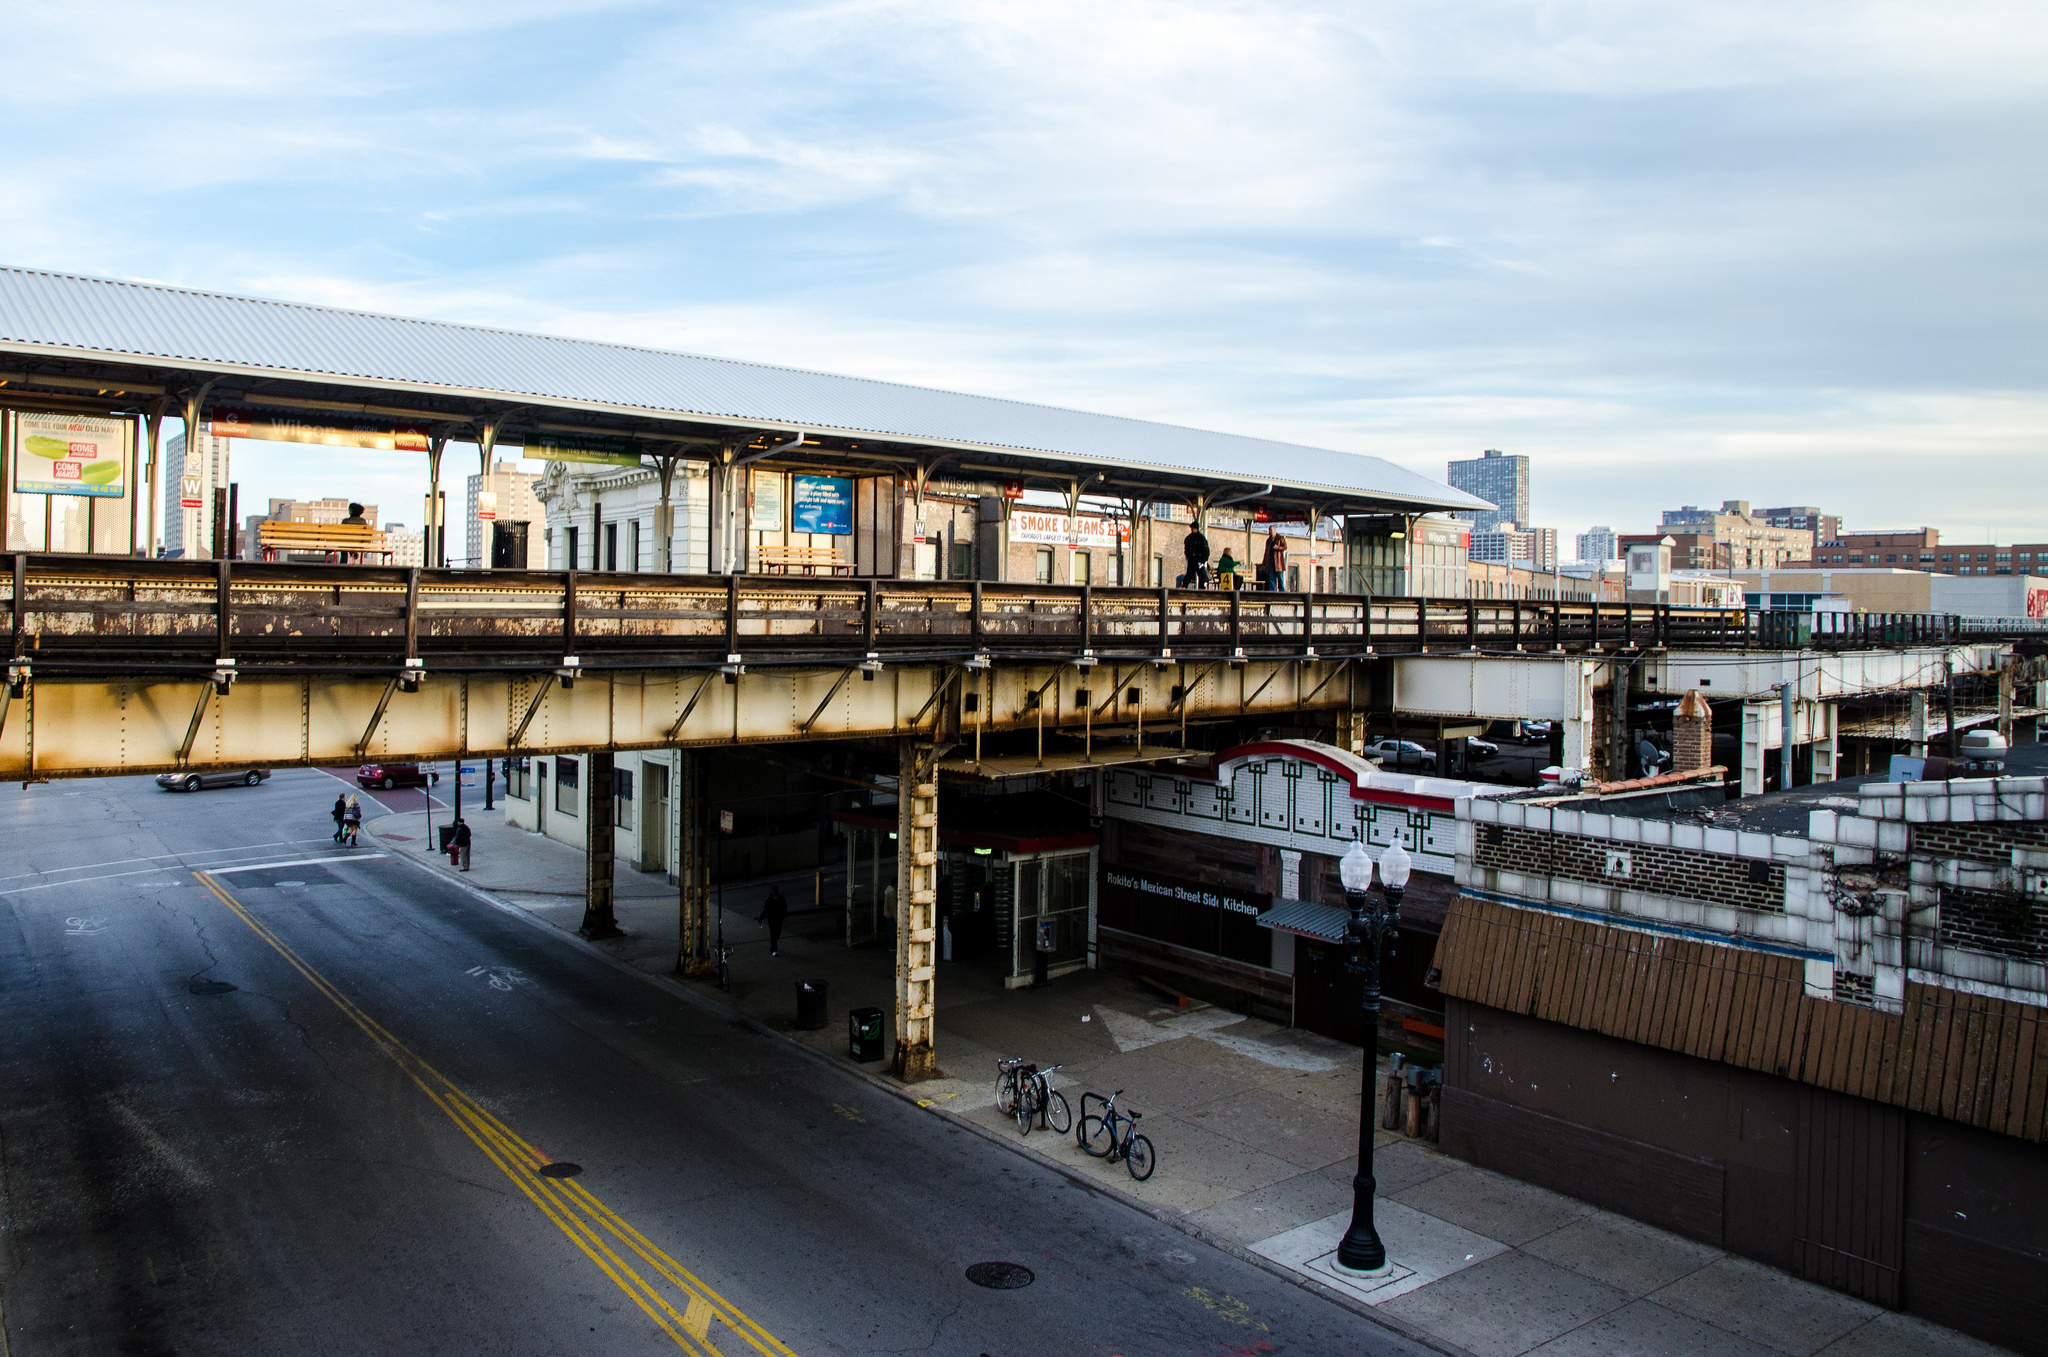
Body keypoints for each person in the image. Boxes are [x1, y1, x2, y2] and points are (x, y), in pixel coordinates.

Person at [757, 884, 789, 957]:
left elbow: (785, 906)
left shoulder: (781, 898)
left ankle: (774, 944)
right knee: (773, 933)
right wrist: (761, 918)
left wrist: (783, 914)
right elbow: (765, 909)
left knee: (777, 933)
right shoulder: (769, 900)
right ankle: (774, 949)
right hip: (772, 919)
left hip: (779, 918)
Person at [1261, 528, 1288, 592]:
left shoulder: (1280, 538)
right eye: (1269, 530)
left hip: (1278, 562)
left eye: (1271, 530)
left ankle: (1282, 591)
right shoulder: (1268, 540)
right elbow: (1266, 551)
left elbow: (1285, 547)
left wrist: (1278, 548)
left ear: (1274, 530)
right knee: (1271, 578)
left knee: (1280, 578)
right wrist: (1264, 561)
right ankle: (1272, 592)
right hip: (1270, 562)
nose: (1270, 532)